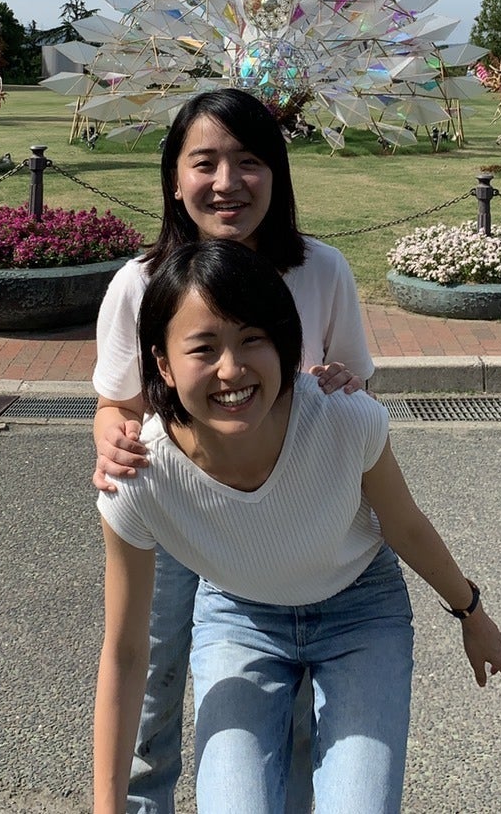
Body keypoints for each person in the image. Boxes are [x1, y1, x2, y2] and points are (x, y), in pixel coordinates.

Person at [94, 240, 501, 814]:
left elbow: (404, 526)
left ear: (285, 343)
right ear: (164, 365)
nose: (231, 369)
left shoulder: (343, 418)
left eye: (253, 339)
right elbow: (125, 653)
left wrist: (472, 614)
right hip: (240, 618)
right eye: (204, 348)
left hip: (360, 612)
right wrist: (107, 806)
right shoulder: (139, 479)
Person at [92, 88, 372, 813]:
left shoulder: (322, 270)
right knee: (153, 677)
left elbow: (354, 392)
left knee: (283, 694)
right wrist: (110, 436)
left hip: (284, 515)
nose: (227, 183)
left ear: (277, 173)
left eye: (248, 161)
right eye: (204, 162)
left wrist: (340, 381)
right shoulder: (139, 284)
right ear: (173, 179)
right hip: (173, 508)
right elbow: (117, 400)